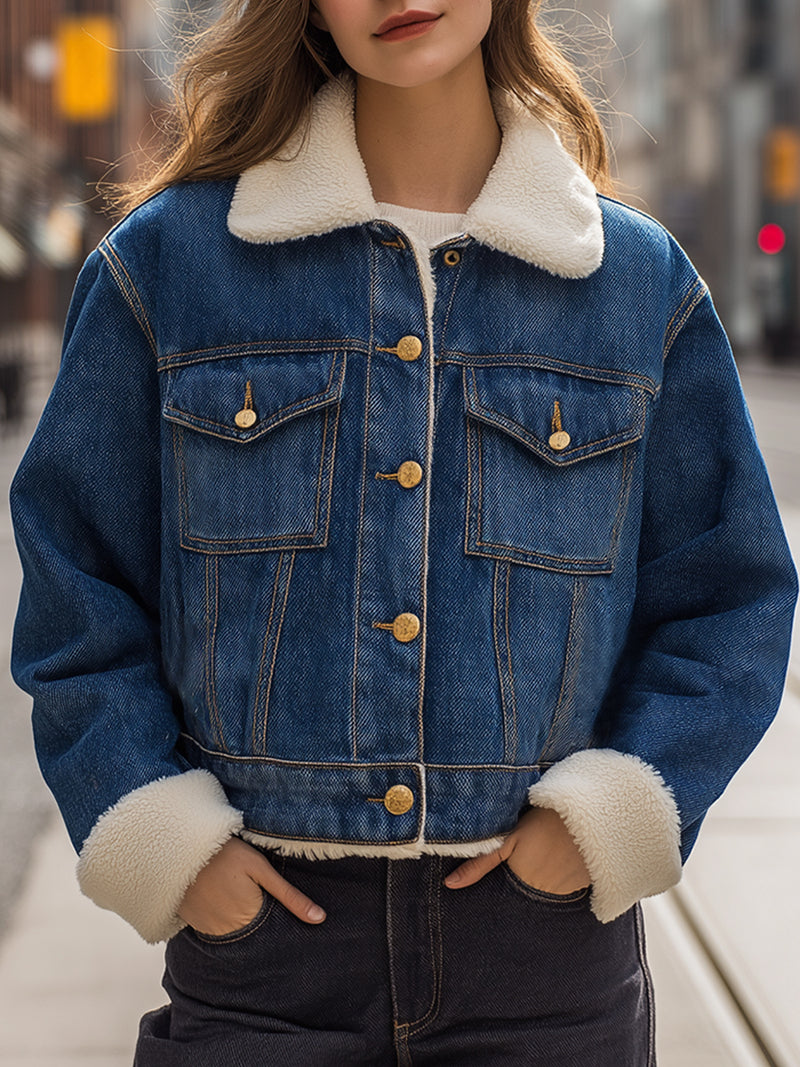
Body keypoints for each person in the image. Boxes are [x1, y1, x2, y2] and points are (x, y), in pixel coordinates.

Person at [10, 1, 797, 1063]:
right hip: (265, 960)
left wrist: (604, 818)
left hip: (543, 963)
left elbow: (727, 593)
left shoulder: (633, 285)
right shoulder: (169, 270)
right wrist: (172, 849)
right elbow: (78, 590)